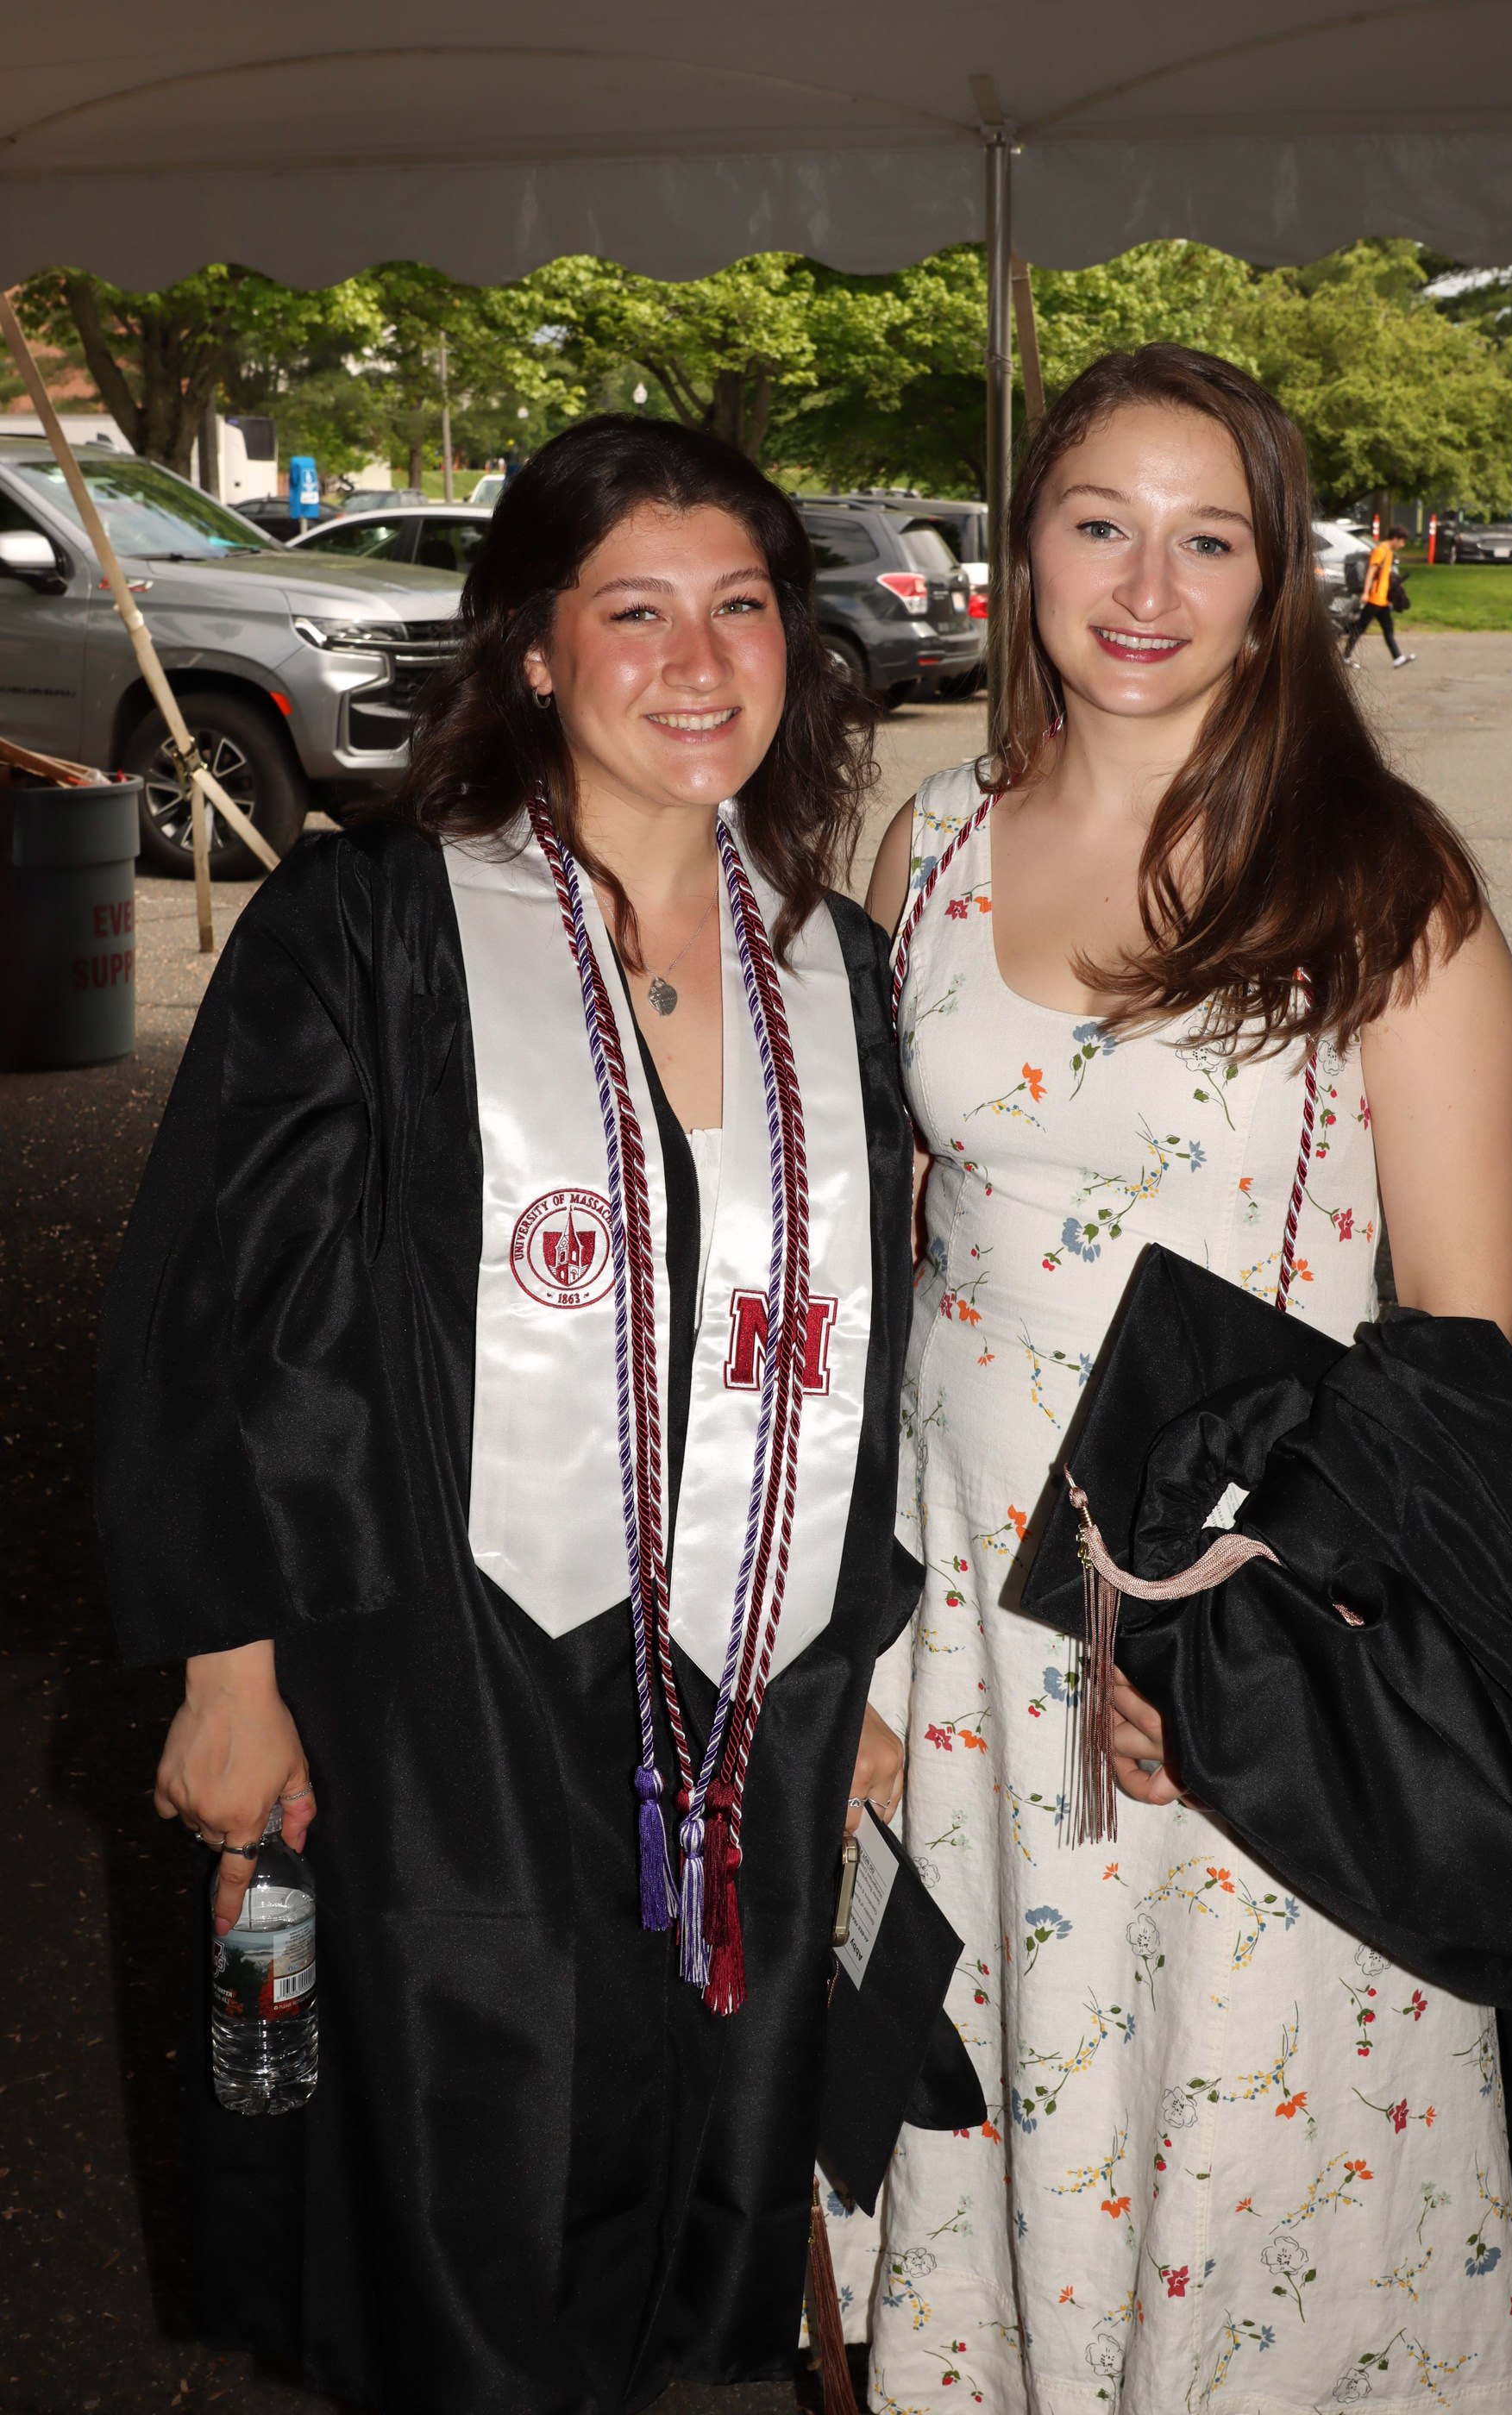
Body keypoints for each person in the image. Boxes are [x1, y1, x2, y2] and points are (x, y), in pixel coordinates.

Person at [96, 416, 922, 2415]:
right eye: (633, 612)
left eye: (741, 606)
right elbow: (229, 1313)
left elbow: (878, 1346)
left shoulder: (838, 966)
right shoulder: (374, 928)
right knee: (466, 2192)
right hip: (445, 1686)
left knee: (687, 2189)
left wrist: (862, 1657)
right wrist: (229, 1669)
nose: (698, 662)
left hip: (748, 1695)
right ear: (534, 652)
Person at [841, 347, 1512, 2408]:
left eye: (1206, 538)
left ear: (1274, 579)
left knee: (1237, 2153)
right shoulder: (928, 845)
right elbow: (890, 1257)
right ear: (1027, 547)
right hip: (961, 1638)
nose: (1145, 587)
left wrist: (1245, 1637)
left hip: (1239, 1638)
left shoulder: (1378, 887)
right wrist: (838, 1642)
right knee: (983, 2105)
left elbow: (1463, 1348)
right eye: (1098, 524)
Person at [1344, 520, 1415, 667]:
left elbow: (1385, 575)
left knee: (1388, 628)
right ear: (1395, 538)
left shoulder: (1388, 552)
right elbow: (1371, 572)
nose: (1402, 545)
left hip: (1382, 600)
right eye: (1402, 542)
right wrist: (1366, 592)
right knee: (1360, 628)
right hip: (1374, 598)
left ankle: (1398, 658)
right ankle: (1345, 656)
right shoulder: (1380, 551)